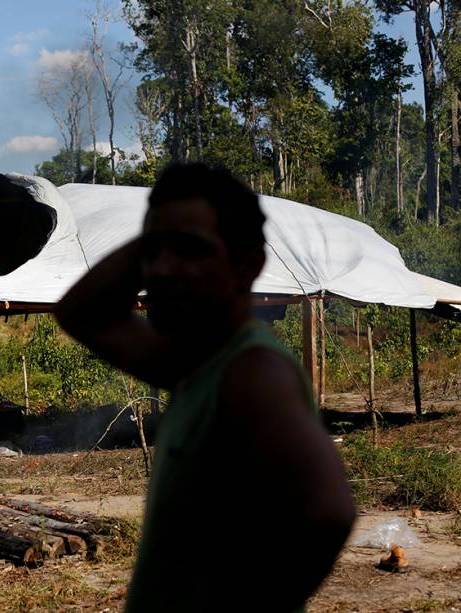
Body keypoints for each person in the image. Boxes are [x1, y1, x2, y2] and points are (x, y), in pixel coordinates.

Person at [55, 163, 355, 612]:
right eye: (156, 252)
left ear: (248, 265)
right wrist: (163, 230)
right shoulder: (194, 364)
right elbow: (82, 313)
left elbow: (329, 513)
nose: (163, 270)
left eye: (191, 250)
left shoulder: (251, 371)